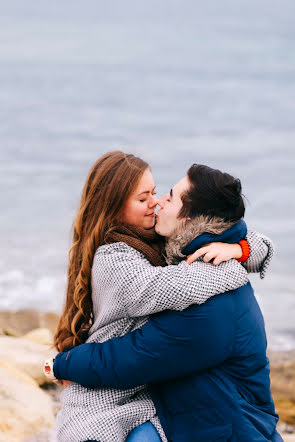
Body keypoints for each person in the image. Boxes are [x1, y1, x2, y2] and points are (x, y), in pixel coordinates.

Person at [46, 152, 274, 442]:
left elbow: (244, 234)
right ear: (114, 207)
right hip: (106, 388)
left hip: (150, 390)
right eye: (144, 199)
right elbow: (165, 293)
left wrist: (241, 249)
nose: (156, 202)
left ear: (189, 218)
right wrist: (233, 266)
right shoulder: (118, 259)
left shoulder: (167, 245)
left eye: (159, 193)